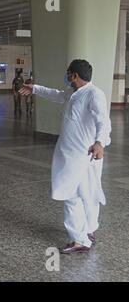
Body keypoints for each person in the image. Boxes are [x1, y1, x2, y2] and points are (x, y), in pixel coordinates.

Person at [19, 59, 112, 254]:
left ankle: (80, 239)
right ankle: (88, 231)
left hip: (84, 154)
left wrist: (100, 142)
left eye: (68, 74)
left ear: (74, 75)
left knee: (74, 194)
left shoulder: (94, 94)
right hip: (73, 154)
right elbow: (56, 94)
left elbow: (104, 120)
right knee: (86, 192)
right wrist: (35, 88)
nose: (67, 77)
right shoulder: (73, 92)